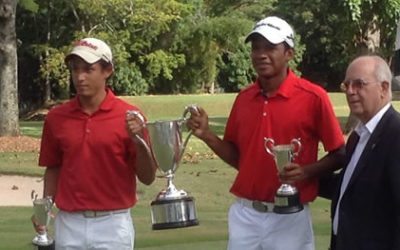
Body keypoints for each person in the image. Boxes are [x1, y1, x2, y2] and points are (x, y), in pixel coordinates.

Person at [187, 16, 345, 250]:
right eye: (256, 48)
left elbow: (339, 153)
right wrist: (208, 135)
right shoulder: (244, 99)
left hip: (290, 216)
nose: (261, 54)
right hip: (245, 215)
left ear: (289, 53)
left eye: (271, 47)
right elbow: (240, 158)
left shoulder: (313, 97)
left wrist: (305, 172)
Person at [32, 37, 158, 250]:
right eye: (75, 69)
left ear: (107, 71)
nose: (80, 77)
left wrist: (138, 141)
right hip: (68, 223)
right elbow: (53, 167)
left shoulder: (129, 116)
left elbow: (147, 177)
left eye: (88, 70)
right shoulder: (57, 117)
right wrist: (44, 209)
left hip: (113, 224)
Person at [322, 55, 400, 250]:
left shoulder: (396, 134)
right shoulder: (358, 136)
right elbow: (350, 190)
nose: (350, 91)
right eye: (346, 84)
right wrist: (304, 175)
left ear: (383, 87)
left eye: (359, 84)